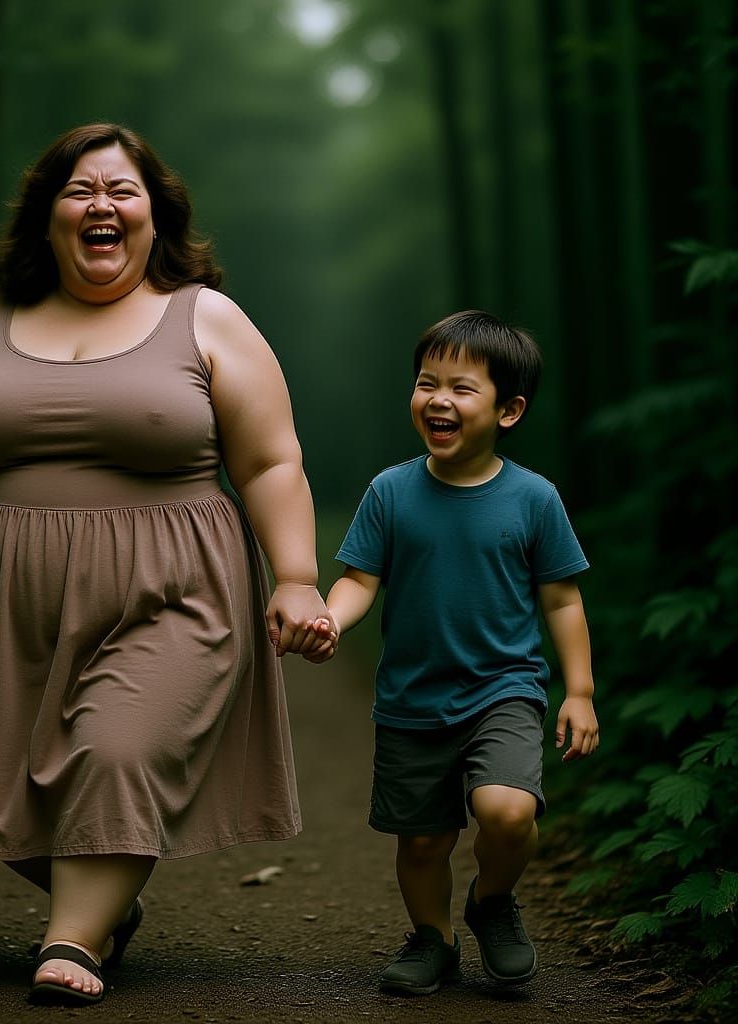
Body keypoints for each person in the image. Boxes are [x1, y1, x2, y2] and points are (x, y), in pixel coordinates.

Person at [0, 122, 328, 1006]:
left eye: (122, 191)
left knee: (118, 750)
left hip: (174, 588)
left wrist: (296, 574)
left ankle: (71, 939)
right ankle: (104, 900)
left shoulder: (205, 317)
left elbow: (272, 462)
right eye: (80, 190)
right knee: (18, 805)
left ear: (157, 216)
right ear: (48, 215)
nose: (101, 205)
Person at [293, 310, 599, 995]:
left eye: (461, 388)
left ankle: (492, 900)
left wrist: (578, 690)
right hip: (413, 697)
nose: (438, 399)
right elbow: (358, 580)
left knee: (507, 811)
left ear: (509, 410)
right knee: (424, 841)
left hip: (505, 689)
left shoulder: (533, 499)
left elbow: (562, 601)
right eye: (427, 383)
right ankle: (432, 937)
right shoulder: (391, 492)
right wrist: (332, 621)